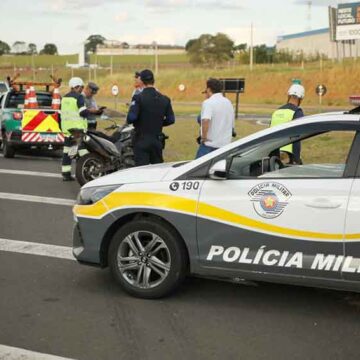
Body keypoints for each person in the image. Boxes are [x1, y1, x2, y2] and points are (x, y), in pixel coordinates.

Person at [126, 69, 175, 166]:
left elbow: (131, 118)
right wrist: (158, 122)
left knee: (142, 172)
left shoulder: (138, 97)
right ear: (153, 80)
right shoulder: (165, 99)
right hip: (157, 140)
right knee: (157, 171)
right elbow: (171, 120)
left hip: (141, 139)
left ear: (142, 81)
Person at [196, 78, 235, 159]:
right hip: (225, 145)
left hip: (210, 145)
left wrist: (203, 138)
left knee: (197, 169)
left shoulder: (208, 102)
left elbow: (205, 120)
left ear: (209, 89)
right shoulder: (228, 102)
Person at [60, 77, 90, 181]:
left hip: (67, 130)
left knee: (68, 152)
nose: (82, 89)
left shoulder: (64, 98)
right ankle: (85, 172)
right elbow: (82, 112)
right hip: (77, 130)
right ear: (77, 86)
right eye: (81, 87)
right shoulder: (79, 97)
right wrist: (90, 112)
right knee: (82, 151)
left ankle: (66, 174)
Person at [270, 83, 305, 164]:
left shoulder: (276, 112)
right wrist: (297, 160)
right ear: (301, 98)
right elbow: (297, 138)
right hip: (289, 158)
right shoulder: (297, 112)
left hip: (274, 156)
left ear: (289, 95)